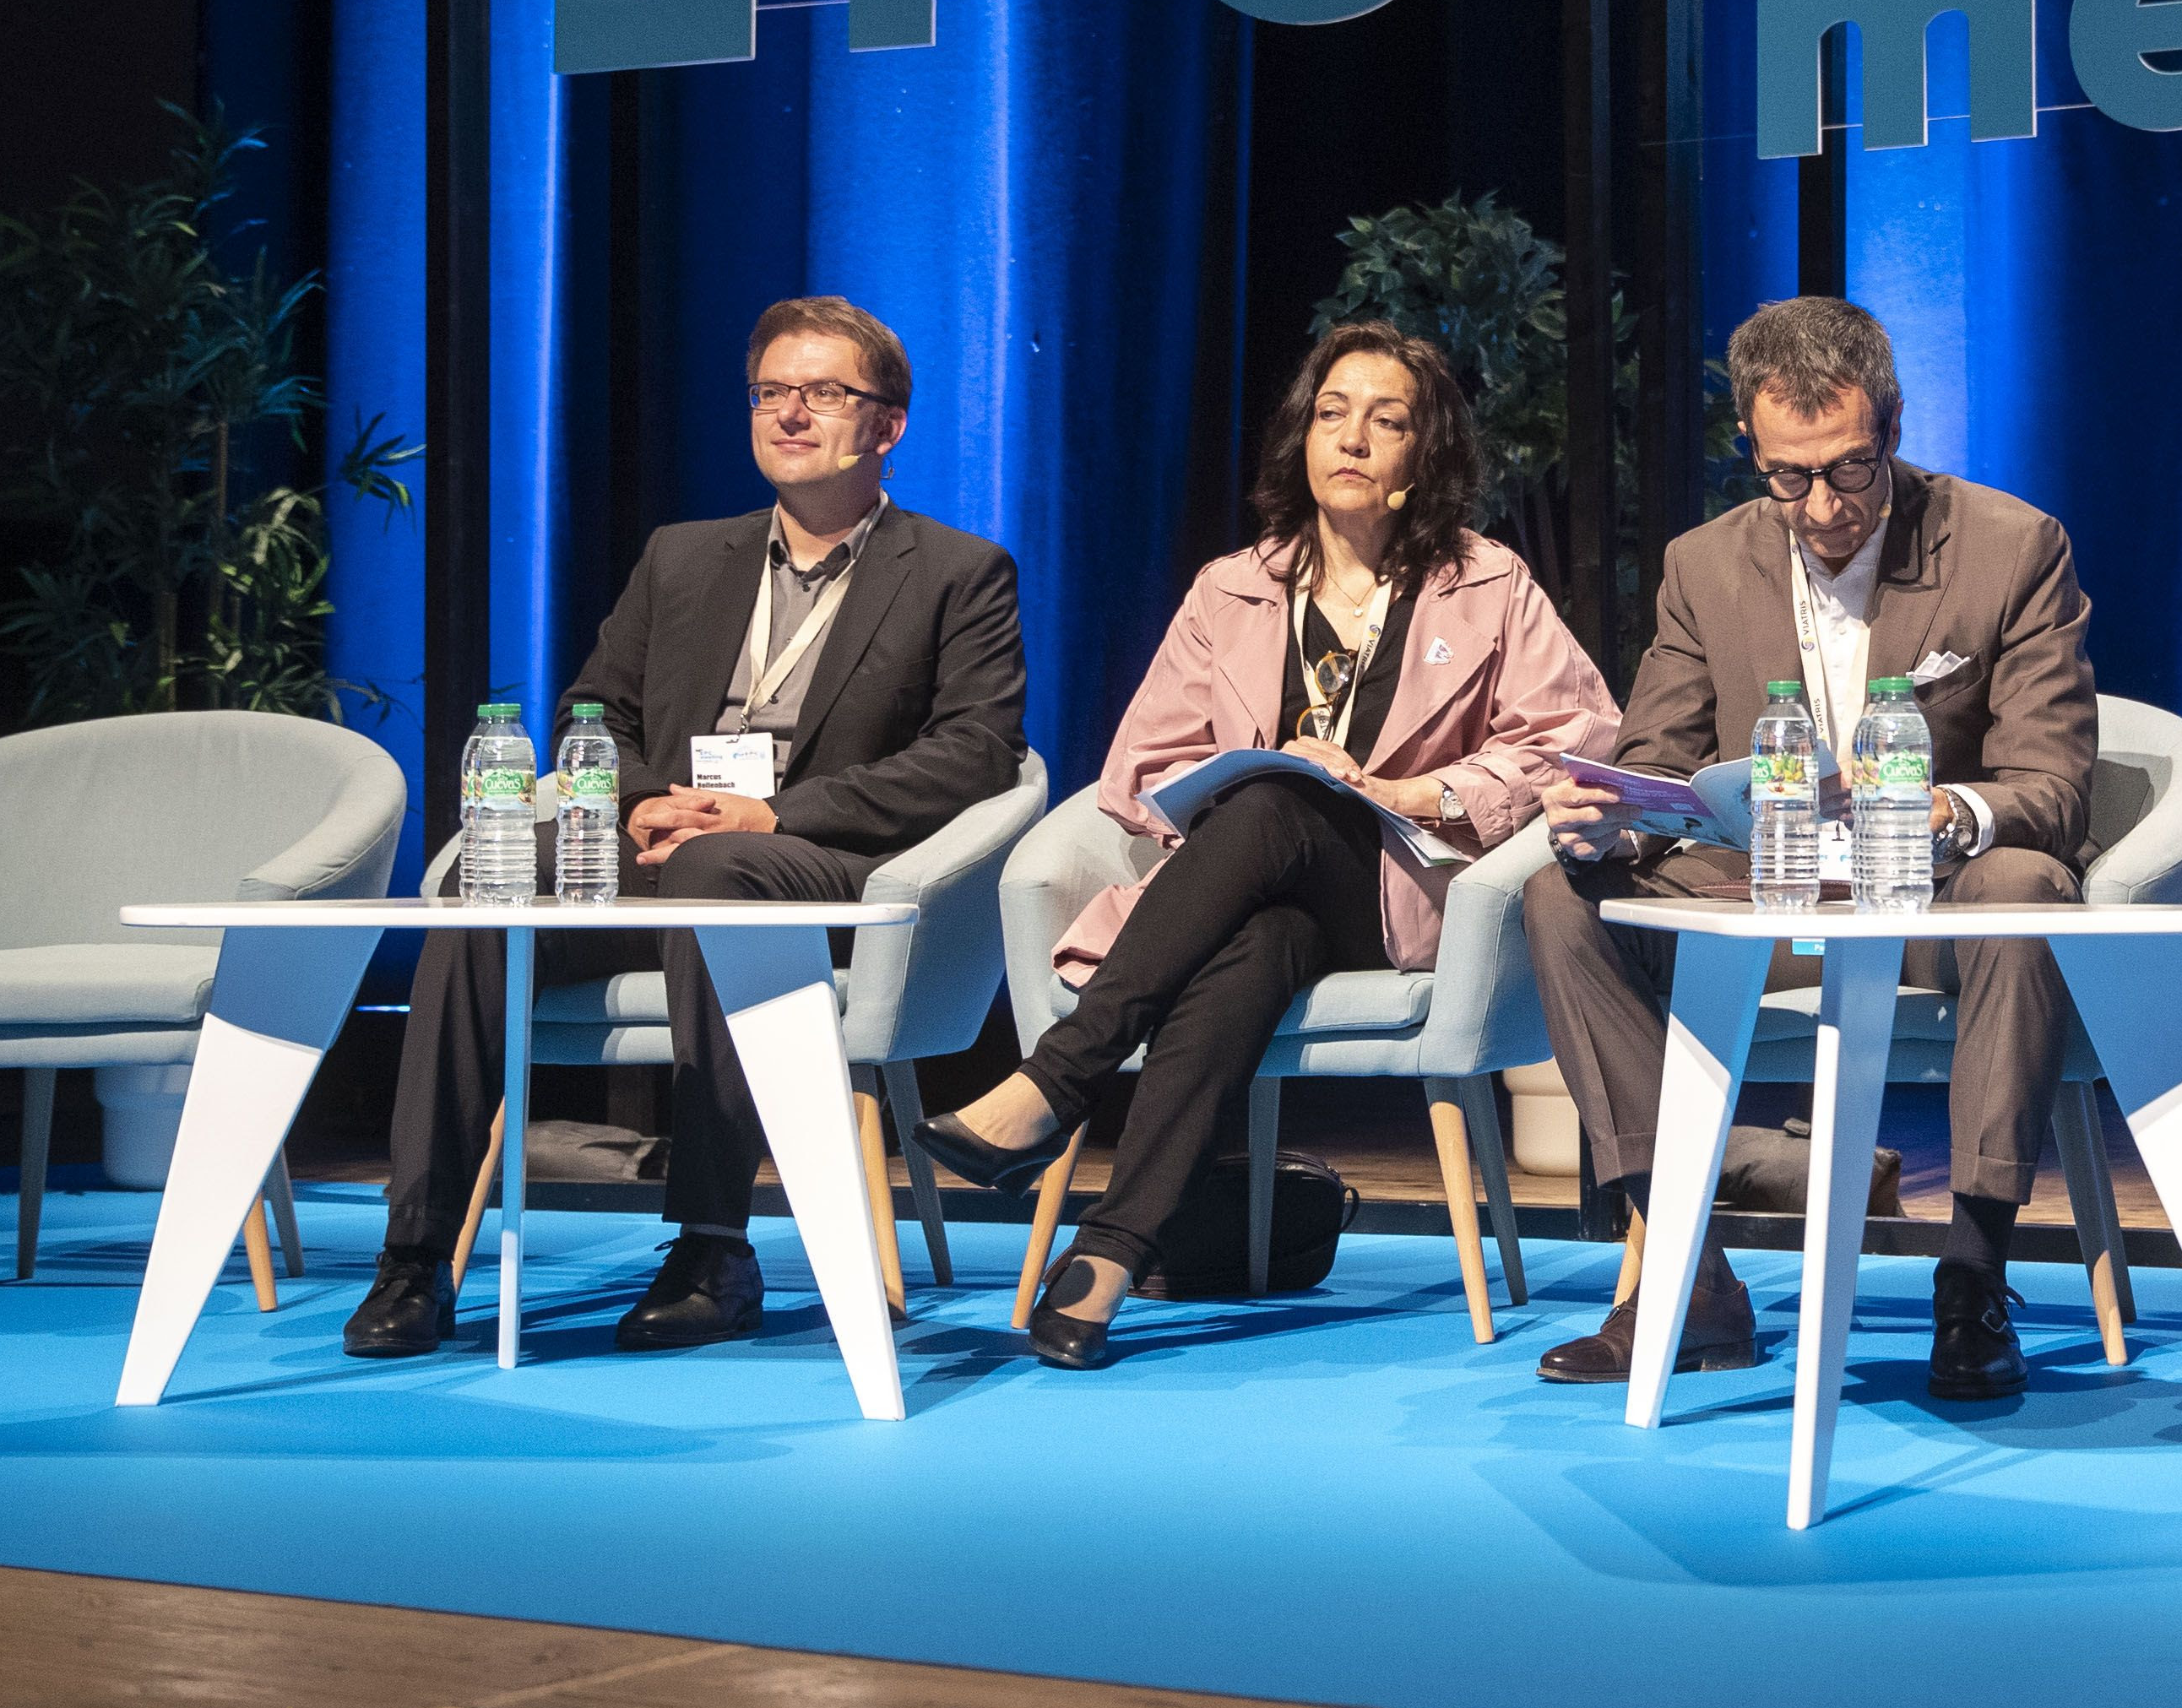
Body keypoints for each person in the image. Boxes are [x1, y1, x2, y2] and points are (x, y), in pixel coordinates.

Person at [917, 323, 1618, 1365]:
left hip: (1405, 889)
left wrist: (1411, 790)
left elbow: (1577, 737)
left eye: (1386, 421)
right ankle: (1109, 1255)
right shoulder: (1233, 587)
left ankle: (1058, 1079)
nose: (1353, 437)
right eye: (1332, 413)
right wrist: (1250, 774)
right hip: (1252, 892)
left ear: (1425, 453)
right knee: (1262, 924)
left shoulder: (1487, 581)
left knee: (1282, 806)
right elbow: (1142, 768)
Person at [344, 296, 1027, 1359]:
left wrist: (774, 811)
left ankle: (713, 1246)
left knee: (721, 865)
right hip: (656, 845)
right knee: (490, 880)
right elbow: (595, 712)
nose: (790, 413)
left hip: (818, 864)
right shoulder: (682, 557)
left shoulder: (956, 571)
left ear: (887, 425)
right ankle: (416, 1253)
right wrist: (636, 798)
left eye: (824, 393)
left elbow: (976, 751)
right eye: (771, 392)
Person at [1524, 296, 2098, 1399]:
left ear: (1893, 424)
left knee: (2027, 883)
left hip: (1927, 900)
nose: (1825, 506)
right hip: (1767, 893)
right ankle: (1689, 1273)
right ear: (1751, 446)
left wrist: (1942, 810)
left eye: (1850, 469)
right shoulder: (1704, 564)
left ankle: (1973, 1276)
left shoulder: (2012, 546)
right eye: (1789, 477)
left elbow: (2052, 786)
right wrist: (1613, 815)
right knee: (1563, 898)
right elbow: (1656, 759)